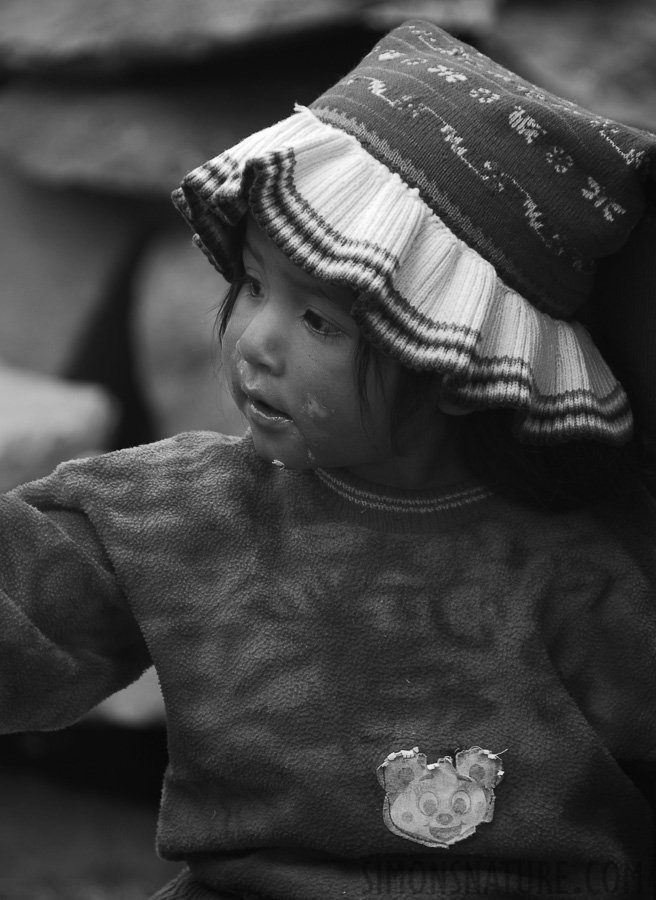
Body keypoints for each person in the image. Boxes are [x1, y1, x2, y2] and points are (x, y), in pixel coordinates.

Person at [2, 19, 656, 900]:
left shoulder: (583, 575)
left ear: (460, 364)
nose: (255, 342)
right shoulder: (175, 514)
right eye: (254, 286)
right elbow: (24, 620)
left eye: (320, 321)